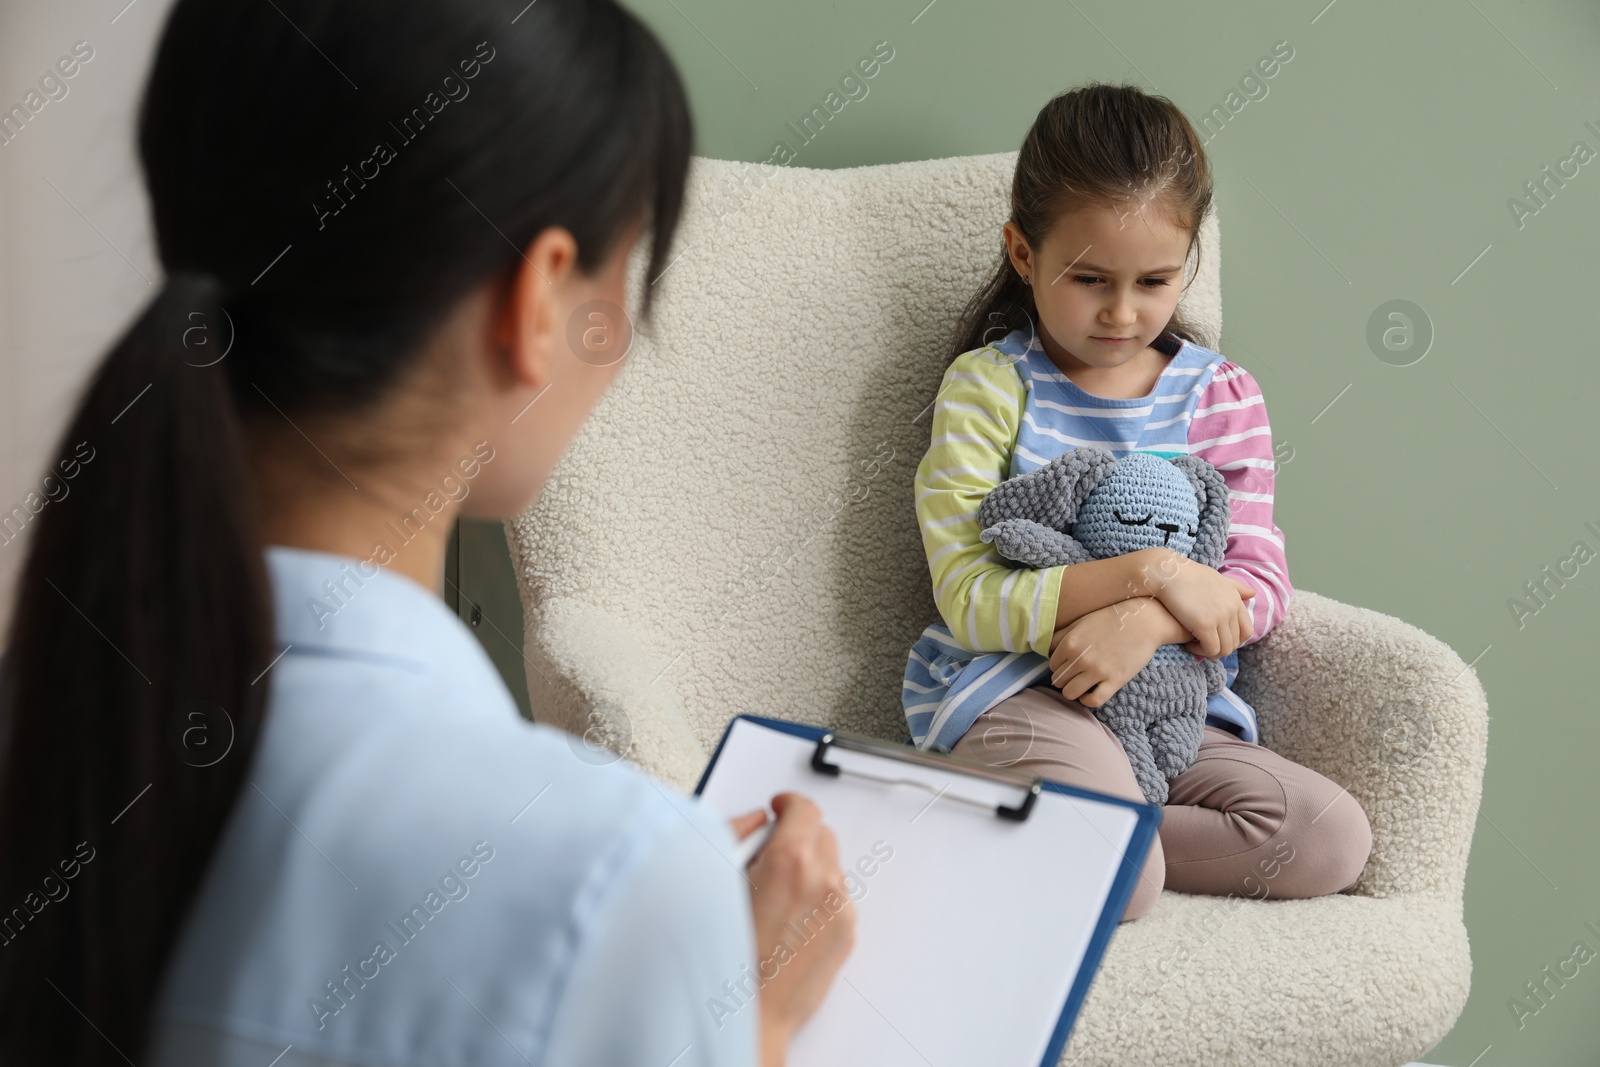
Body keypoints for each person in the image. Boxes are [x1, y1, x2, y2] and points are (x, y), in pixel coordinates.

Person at [0, 1, 854, 1064]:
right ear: (538, 299)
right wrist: (749, 1021)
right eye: (624, 276)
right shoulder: (607, 878)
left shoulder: (60, 731)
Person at [902, 83, 1372, 921]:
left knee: (1330, 837)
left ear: (1188, 261)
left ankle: (1083, 830)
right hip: (1022, 693)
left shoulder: (1220, 393)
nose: (1123, 313)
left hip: (1168, 704)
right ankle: (1062, 820)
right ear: (1022, 253)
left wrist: (1147, 623)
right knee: (1130, 878)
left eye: (1155, 280)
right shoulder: (989, 387)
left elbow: (1257, 583)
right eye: (1089, 280)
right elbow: (970, 600)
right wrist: (1154, 573)